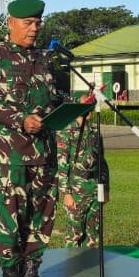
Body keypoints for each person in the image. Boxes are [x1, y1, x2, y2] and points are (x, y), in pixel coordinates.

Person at [0, 0, 62, 277]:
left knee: (42, 214)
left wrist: (66, 110)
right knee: (12, 214)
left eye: (38, 22)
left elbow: (51, 99)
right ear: (11, 23)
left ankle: (31, 275)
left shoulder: (43, 58)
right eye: (28, 23)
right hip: (11, 153)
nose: (34, 28)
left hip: (44, 151)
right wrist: (21, 120)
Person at [56, 90, 107, 247]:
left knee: (94, 235)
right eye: (86, 106)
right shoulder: (66, 131)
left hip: (94, 188)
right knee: (75, 235)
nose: (89, 110)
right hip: (76, 190)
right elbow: (62, 164)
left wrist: (105, 188)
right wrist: (66, 194)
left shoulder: (95, 131)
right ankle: (73, 262)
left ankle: (90, 261)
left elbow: (102, 162)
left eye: (91, 106)